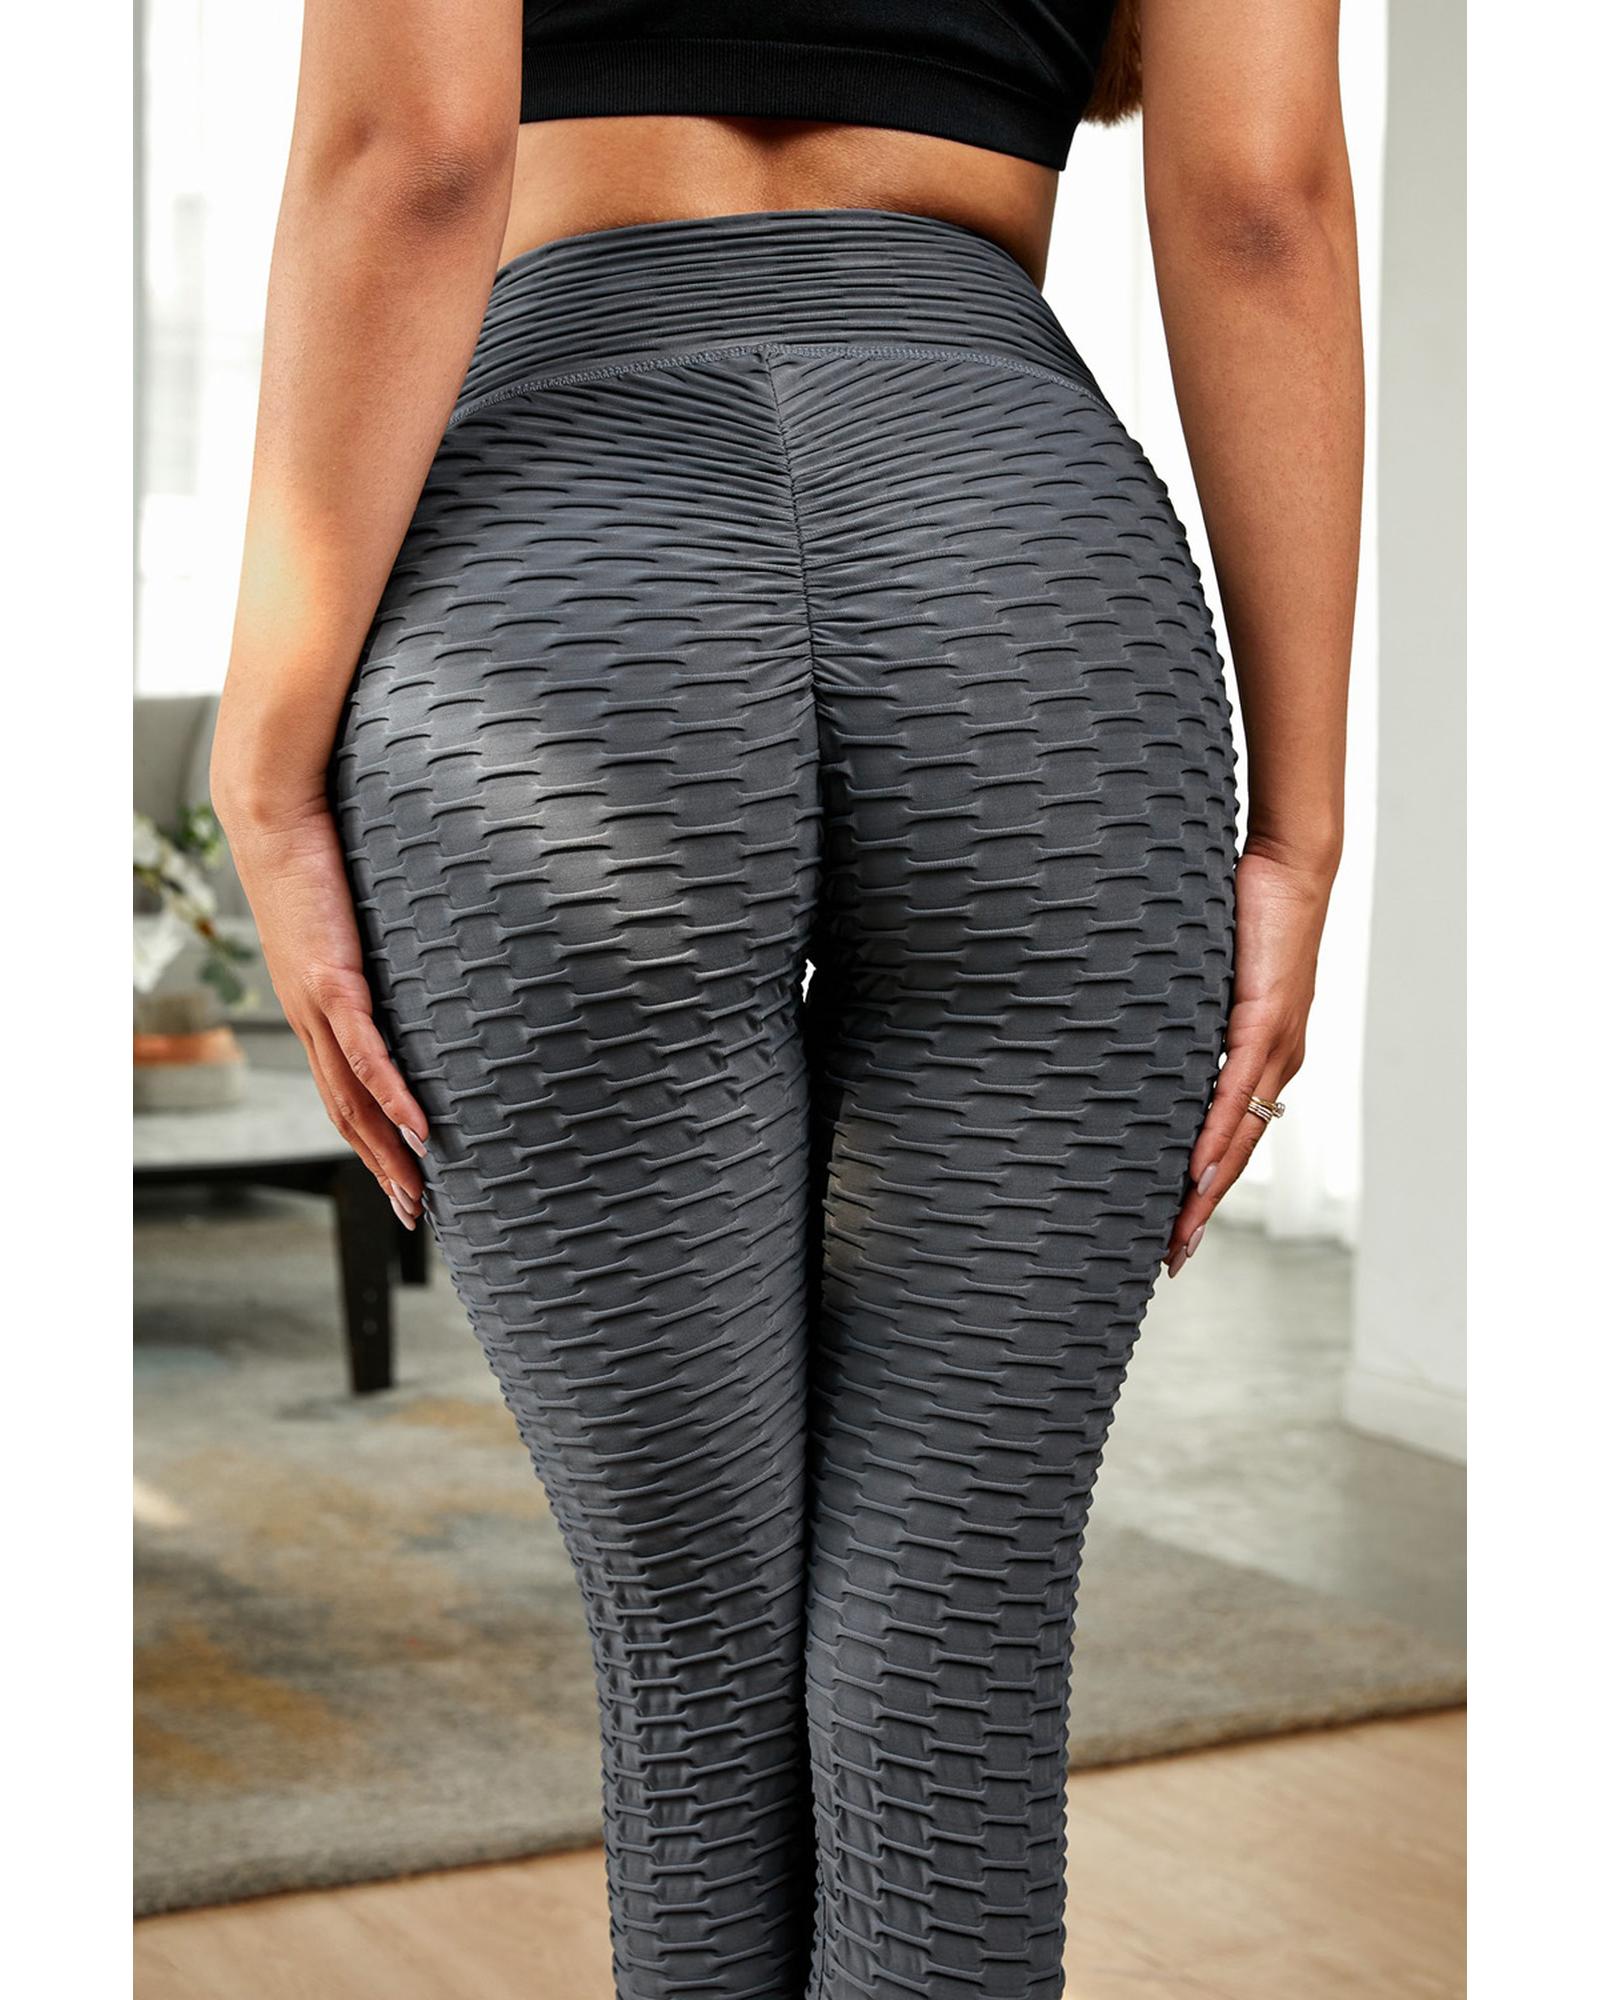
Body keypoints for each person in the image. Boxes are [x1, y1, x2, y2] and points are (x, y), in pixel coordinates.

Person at [211, 3, 1360, 1994]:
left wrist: (260, 768)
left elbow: (411, 156)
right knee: (954, 1638)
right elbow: (1259, 200)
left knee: (692, 1652)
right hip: (1027, 593)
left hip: (568, 583)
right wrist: (1303, 830)